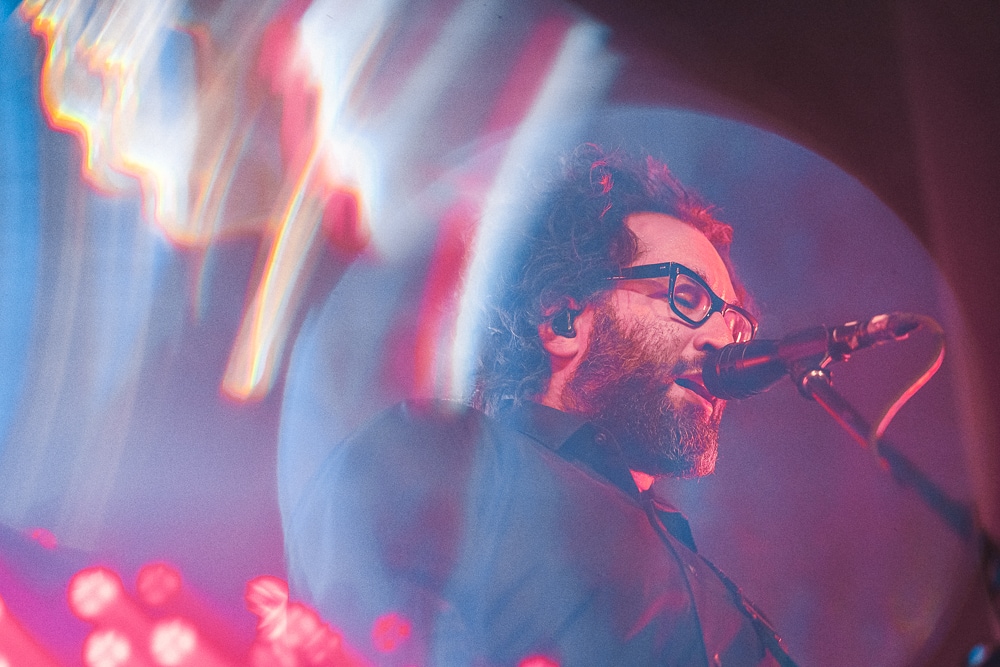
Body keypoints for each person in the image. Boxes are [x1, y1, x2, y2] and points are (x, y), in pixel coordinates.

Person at [285, 144, 797, 666]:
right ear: (563, 321)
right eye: (687, 297)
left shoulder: (721, 596)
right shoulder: (440, 461)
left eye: (735, 324)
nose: (724, 339)